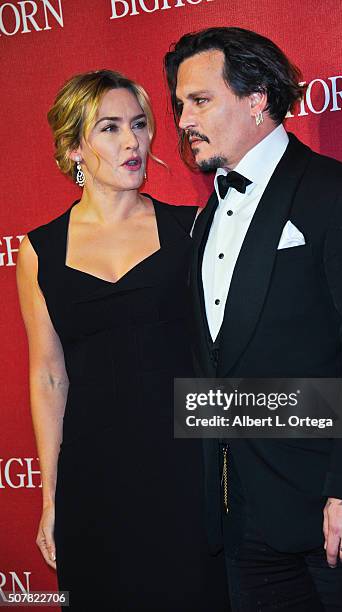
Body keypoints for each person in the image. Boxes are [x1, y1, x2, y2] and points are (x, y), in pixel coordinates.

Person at [164, 28, 342, 611]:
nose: (183, 119)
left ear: (257, 98)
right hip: (245, 518)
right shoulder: (205, 221)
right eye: (180, 104)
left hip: (339, 511)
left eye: (200, 101)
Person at [16, 69, 229, 611]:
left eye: (139, 124)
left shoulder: (193, 228)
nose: (133, 142)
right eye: (110, 128)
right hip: (93, 475)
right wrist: (50, 495)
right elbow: (47, 375)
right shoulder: (39, 251)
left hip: (185, 468)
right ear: (73, 148)